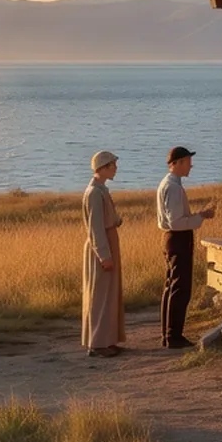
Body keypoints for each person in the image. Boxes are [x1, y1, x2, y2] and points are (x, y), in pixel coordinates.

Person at [156, 146, 215, 349]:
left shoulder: (169, 184)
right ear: (178, 163)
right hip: (178, 238)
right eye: (188, 161)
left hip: (173, 238)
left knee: (171, 286)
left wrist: (198, 215)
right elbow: (176, 222)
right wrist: (200, 217)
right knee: (179, 288)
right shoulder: (172, 187)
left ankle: (168, 334)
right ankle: (173, 336)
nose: (191, 165)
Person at [82, 151, 126, 358]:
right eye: (113, 165)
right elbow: (95, 228)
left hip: (109, 243)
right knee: (100, 295)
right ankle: (97, 343)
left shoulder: (101, 190)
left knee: (109, 294)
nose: (116, 168)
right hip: (103, 247)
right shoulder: (94, 193)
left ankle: (107, 340)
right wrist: (104, 255)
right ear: (103, 167)